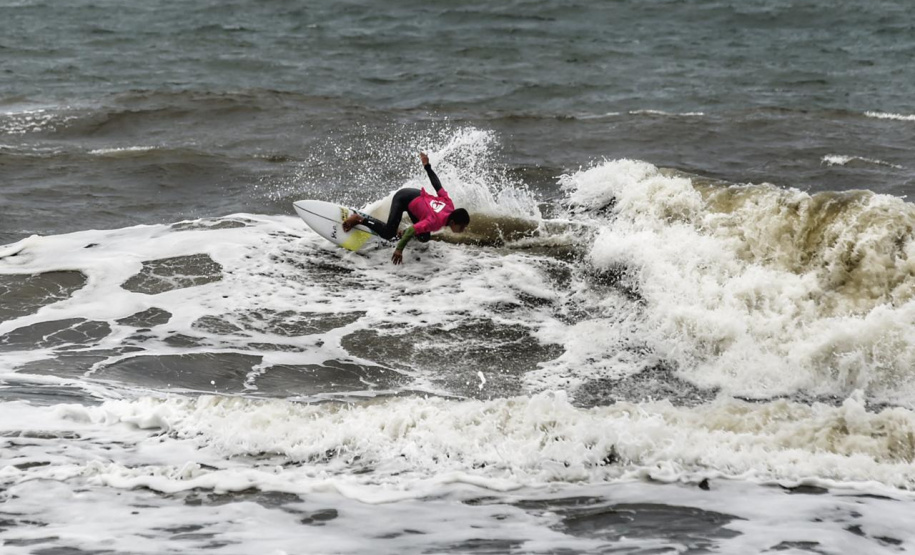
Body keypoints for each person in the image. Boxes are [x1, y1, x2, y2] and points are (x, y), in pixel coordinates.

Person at [342, 152, 470, 265]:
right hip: (403, 198)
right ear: (453, 222)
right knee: (388, 234)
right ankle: (359, 219)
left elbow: (437, 185)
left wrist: (427, 166)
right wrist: (399, 249)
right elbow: (411, 231)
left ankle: (399, 232)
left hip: (416, 196)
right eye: (462, 227)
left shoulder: (449, 205)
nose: (462, 230)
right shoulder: (434, 222)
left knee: (424, 237)